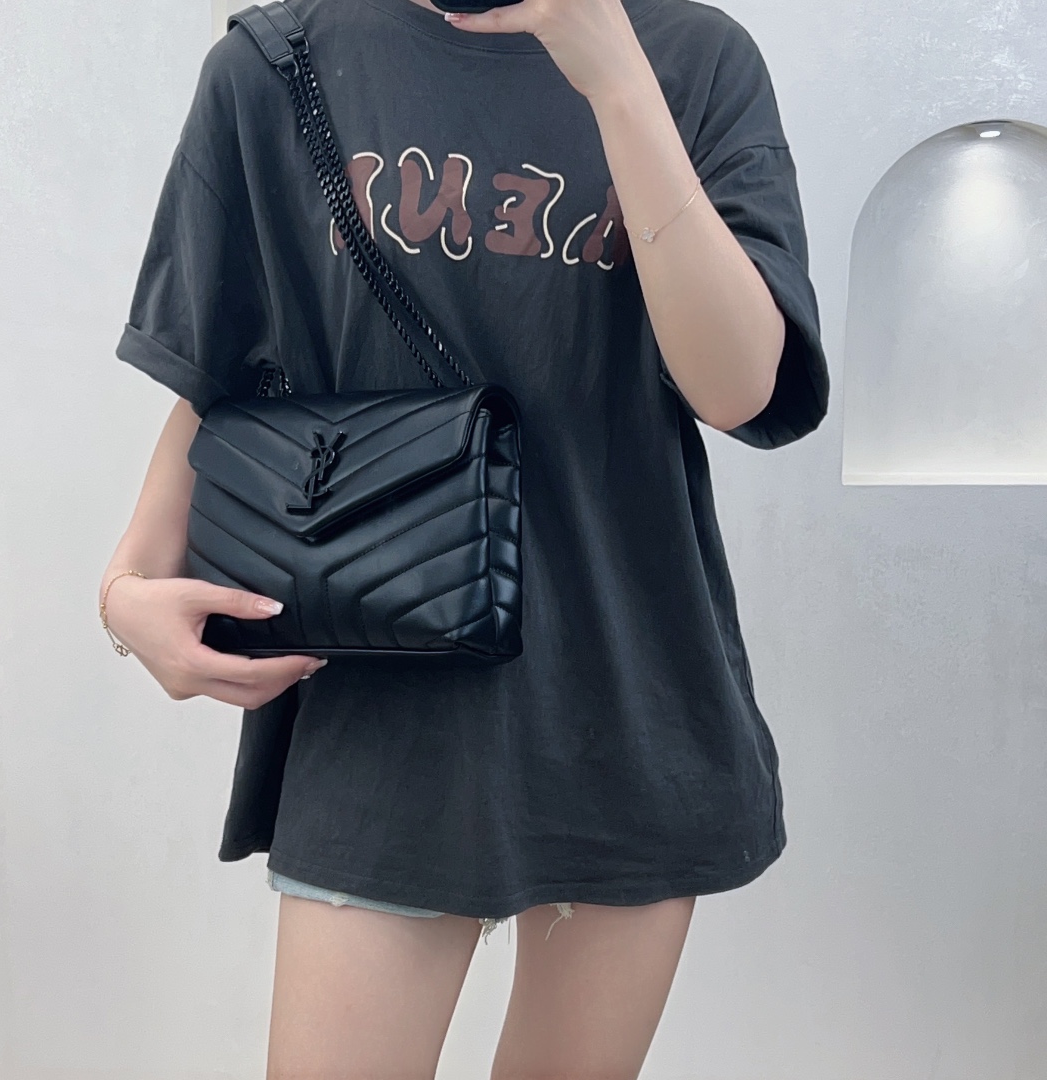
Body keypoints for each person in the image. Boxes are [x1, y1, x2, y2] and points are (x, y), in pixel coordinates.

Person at [99, 0, 829, 1075]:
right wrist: (125, 588)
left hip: (625, 698)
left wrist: (616, 79)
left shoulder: (694, 59)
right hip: (380, 703)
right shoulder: (279, 59)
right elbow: (222, 369)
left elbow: (737, 387)